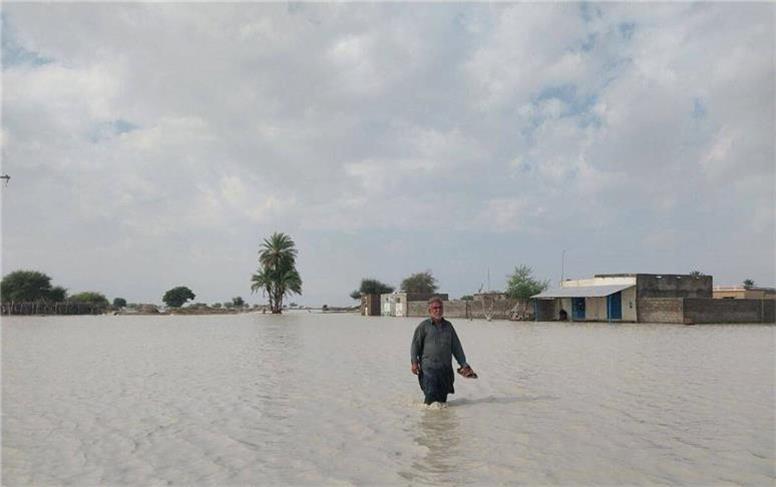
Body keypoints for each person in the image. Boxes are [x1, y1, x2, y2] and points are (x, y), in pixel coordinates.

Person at [410, 296, 476, 405]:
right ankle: (427, 421)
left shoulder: (449, 327)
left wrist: (463, 364)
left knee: (442, 401)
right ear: (429, 310)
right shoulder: (423, 327)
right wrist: (414, 362)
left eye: (440, 307)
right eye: (435, 308)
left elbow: (456, 347)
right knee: (430, 396)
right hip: (428, 369)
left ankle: (442, 422)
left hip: (445, 370)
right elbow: (415, 345)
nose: (438, 310)